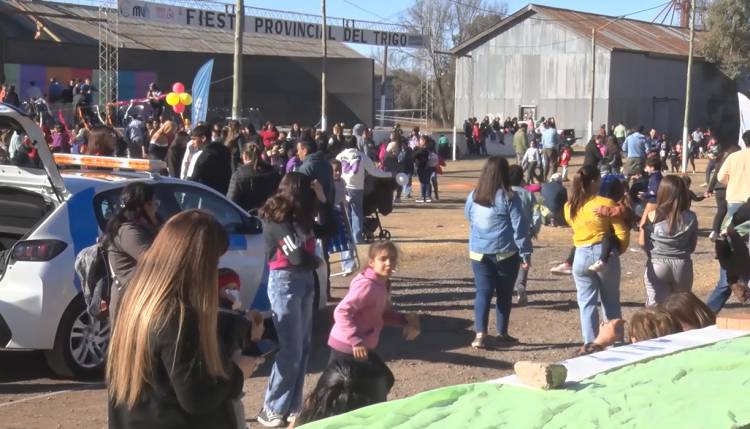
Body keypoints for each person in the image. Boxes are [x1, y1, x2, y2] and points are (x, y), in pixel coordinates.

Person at [107, 211, 262, 429]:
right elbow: (197, 398)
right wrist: (238, 372)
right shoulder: (178, 318)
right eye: (214, 262)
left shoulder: (138, 300)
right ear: (198, 263)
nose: (214, 271)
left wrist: (240, 326)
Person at [311, 242, 419, 425]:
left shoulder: (381, 283)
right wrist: (356, 340)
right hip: (347, 347)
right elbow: (341, 312)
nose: (388, 263)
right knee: (332, 394)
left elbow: (377, 314)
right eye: (383, 259)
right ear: (371, 262)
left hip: (358, 347)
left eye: (392, 259)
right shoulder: (368, 285)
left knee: (371, 386)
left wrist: (403, 320)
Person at [257, 173, 326, 427]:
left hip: (305, 282)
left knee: (304, 346)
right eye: (308, 192)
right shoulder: (275, 219)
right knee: (290, 349)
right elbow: (295, 256)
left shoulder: (302, 217)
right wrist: (315, 261)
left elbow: (329, 228)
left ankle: (291, 405)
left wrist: (323, 200)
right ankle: (271, 407)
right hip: (285, 283)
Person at [465, 156, 531, 348]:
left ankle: (480, 334)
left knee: (483, 292)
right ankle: (502, 333)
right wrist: (525, 254)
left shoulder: (473, 196)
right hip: (505, 253)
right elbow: (520, 228)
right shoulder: (510, 197)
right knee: (504, 294)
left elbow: (468, 216)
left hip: (478, 252)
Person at [564, 165, 630, 348]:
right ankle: (614, 343)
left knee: (586, 303)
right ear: (593, 182)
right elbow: (621, 231)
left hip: (580, 253)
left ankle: (590, 344)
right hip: (603, 251)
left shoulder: (569, 206)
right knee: (610, 302)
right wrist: (620, 249)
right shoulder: (605, 203)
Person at [638, 175, 698, 306]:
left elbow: (642, 243)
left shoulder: (652, 215)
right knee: (682, 307)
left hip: (657, 263)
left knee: (656, 308)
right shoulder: (691, 217)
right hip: (682, 264)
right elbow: (692, 246)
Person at [104, 182, 160, 319]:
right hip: (128, 304)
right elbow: (157, 261)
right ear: (145, 206)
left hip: (139, 298)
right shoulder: (128, 232)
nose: (156, 208)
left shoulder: (144, 226)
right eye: (154, 203)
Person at [336, 136, 392, 246]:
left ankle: (347, 237)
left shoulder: (340, 156)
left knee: (345, 213)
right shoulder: (362, 156)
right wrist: (389, 174)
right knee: (357, 213)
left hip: (342, 186)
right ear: (355, 144)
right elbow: (374, 172)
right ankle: (357, 237)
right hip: (356, 188)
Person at [508, 165, 540, 306]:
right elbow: (537, 214)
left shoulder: (503, 193)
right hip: (525, 231)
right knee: (524, 259)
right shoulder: (528, 194)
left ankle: (507, 287)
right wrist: (534, 229)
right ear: (521, 177)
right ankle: (521, 285)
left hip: (507, 233)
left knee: (507, 261)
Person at [227, 143, 281, 212]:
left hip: (246, 216)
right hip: (269, 215)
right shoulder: (273, 172)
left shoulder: (238, 175)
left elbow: (231, 202)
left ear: (245, 156)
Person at [706, 145, 740, 240]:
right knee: (733, 213)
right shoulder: (736, 162)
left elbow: (715, 175)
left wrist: (709, 189)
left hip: (719, 189)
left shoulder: (722, 161)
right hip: (730, 189)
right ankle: (729, 233)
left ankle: (714, 232)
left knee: (721, 211)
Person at [188, 125, 233, 195]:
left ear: (203, 138)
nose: (192, 142)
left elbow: (194, 178)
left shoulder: (205, 156)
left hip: (208, 196)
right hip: (223, 195)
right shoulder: (224, 150)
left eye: (194, 139)